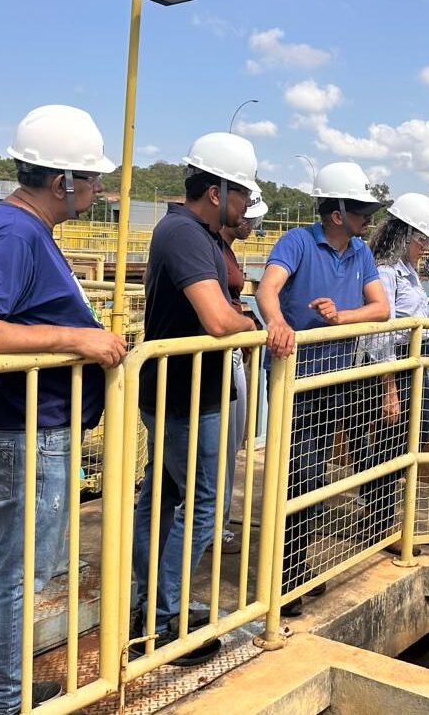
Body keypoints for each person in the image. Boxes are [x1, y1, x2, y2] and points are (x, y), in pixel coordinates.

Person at [0, 105, 127, 715]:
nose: (100, 189)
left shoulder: (21, 230)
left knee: (28, 569)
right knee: (16, 573)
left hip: (37, 426)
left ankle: (10, 687)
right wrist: (77, 339)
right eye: (93, 178)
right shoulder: (14, 234)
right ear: (62, 182)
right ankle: (2, 701)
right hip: (27, 431)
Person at [130, 132, 259, 663]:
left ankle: (148, 604)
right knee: (203, 506)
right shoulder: (184, 232)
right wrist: (252, 324)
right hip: (186, 392)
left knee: (161, 499)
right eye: (243, 196)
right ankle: (164, 623)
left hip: (181, 387)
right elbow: (216, 317)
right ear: (216, 190)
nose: (247, 206)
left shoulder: (195, 233)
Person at [254, 161, 390, 617]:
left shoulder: (361, 252)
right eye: (360, 210)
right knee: (300, 474)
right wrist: (276, 321)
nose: (368, 218)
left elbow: (380, 309)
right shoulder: (296, 241)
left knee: (323, 475)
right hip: (296, 381)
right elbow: (267, 288)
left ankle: (295, 569)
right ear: (336, 213)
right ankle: (284, 578)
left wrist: (340, 318)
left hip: (337, 380)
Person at [355, 193, 429, 554]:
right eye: (423, 239)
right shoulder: (386, 272)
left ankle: (381, 521)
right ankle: (379, 524)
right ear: (405, 235)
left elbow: (417, 317)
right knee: (389, 446)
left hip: (408, 365)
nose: (426, 247)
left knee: (401, 445)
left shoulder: (407, 271)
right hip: (389, 367)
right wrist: (389, 387)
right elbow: (382, 330)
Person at [216, 188, 271, 555]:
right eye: (252, 218)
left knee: (229, 443)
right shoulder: (213, 248)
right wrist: (247, 327)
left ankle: (215, 524)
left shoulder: (225, 251)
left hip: (232, 352)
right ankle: (210, 528)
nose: (254, 226)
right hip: (221, 354)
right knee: (218, 447)